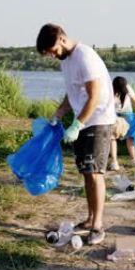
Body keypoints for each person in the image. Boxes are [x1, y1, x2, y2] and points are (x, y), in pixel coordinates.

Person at [37, 23, 116, 245]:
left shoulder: (85, 57)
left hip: (98, 120)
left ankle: (98, 226)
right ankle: (90, 219)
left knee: (95, 172)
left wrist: (77, 124)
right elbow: (73, 93)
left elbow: (94, 96)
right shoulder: (67, 61)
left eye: (53, 50)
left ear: (62, 38)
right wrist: (59, 114)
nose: (53, 55)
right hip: (82, 121)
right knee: (86, 172)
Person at [108, 76, 135, 170]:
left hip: (128, 114)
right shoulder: (109, 90)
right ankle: (114, 162)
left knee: (130, 136)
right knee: (112, 137)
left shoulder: (128, 89)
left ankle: (133, 159)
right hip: (114, 115)